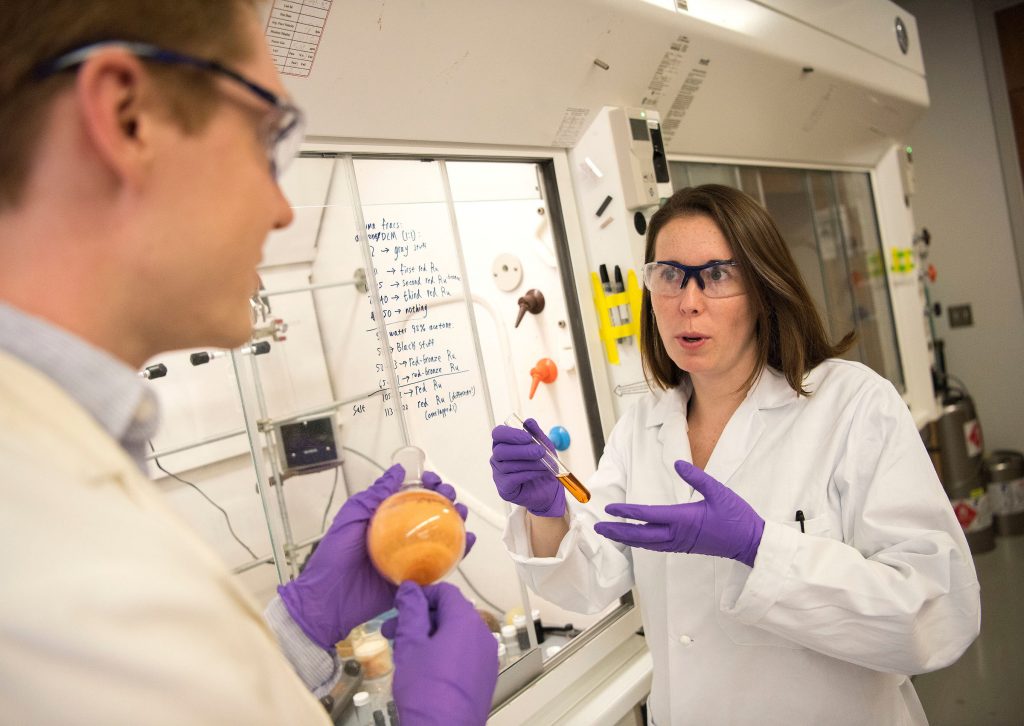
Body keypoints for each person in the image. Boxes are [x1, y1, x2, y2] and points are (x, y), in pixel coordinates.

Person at [0, 1, 496, 724]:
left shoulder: (61, 464)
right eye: (269, 135)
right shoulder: (41, 553)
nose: (282, 209)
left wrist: (301, 623)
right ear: (128, 116)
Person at [490, 184, 980, 725]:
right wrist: (547, 510)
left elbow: (937, 614)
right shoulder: (641, 429)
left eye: (717, 274)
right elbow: (590, 581)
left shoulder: (851, 404)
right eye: (669, 275)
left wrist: (760, 548)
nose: (688, 301)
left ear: (764, 289)